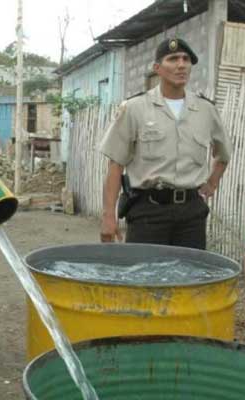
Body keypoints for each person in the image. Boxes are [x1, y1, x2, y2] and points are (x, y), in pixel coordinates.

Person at [99, 38, 232, 249]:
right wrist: (108, 216)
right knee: (144, 276)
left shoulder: (206, 110)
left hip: (191, 214)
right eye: (173, 59)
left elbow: (223, 154)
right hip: (148, 212)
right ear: (157, 68)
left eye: (186, 59)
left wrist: (212, 183)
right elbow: (116, 165)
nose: (181, 64)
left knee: (189, 277)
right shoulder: (135, 108)